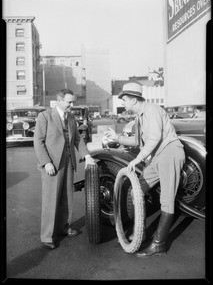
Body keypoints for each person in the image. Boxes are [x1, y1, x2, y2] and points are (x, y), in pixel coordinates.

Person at [105, 82, 185, 257]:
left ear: (133, 99)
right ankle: (139, 231)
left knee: (167, 200)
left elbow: (155, 137)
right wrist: (117, 137)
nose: (123, 103)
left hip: (169, 153)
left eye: (124, 100)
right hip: (157, 157)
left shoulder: (152, 110)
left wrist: (138, 160)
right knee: (137, 189)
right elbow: (136, 142)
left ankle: (159, 244)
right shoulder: (140, 116)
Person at [34, 88, 95, 250]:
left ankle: (62, 228)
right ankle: (47, 236)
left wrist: (87, 156)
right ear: (59, 101)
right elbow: (38, 142)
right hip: (52, 165)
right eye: (69, 102)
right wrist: (46, 162)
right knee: (50, 200)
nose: (72, 105)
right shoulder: (44, 116)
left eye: (73, 102)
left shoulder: (71, 117)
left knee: (66, 198)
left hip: (68, 163)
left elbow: (77, 139)